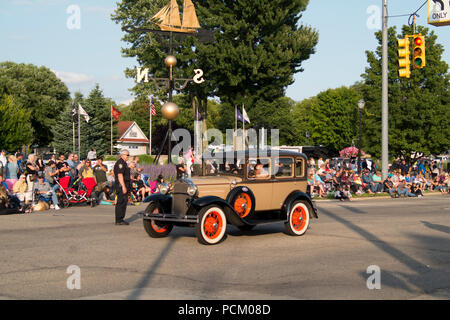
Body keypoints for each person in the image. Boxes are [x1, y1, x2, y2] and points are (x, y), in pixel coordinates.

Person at [113, 149, 131, 225]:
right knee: (121, 202)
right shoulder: (120, 163)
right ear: (122, 155)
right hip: (121, 185)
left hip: (124, 184)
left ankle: (120, 219)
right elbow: (120, 175)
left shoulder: (124, 163)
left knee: (123, 202)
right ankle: (119, 220)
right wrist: (123, 186)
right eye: (127, 155)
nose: (128, 157)